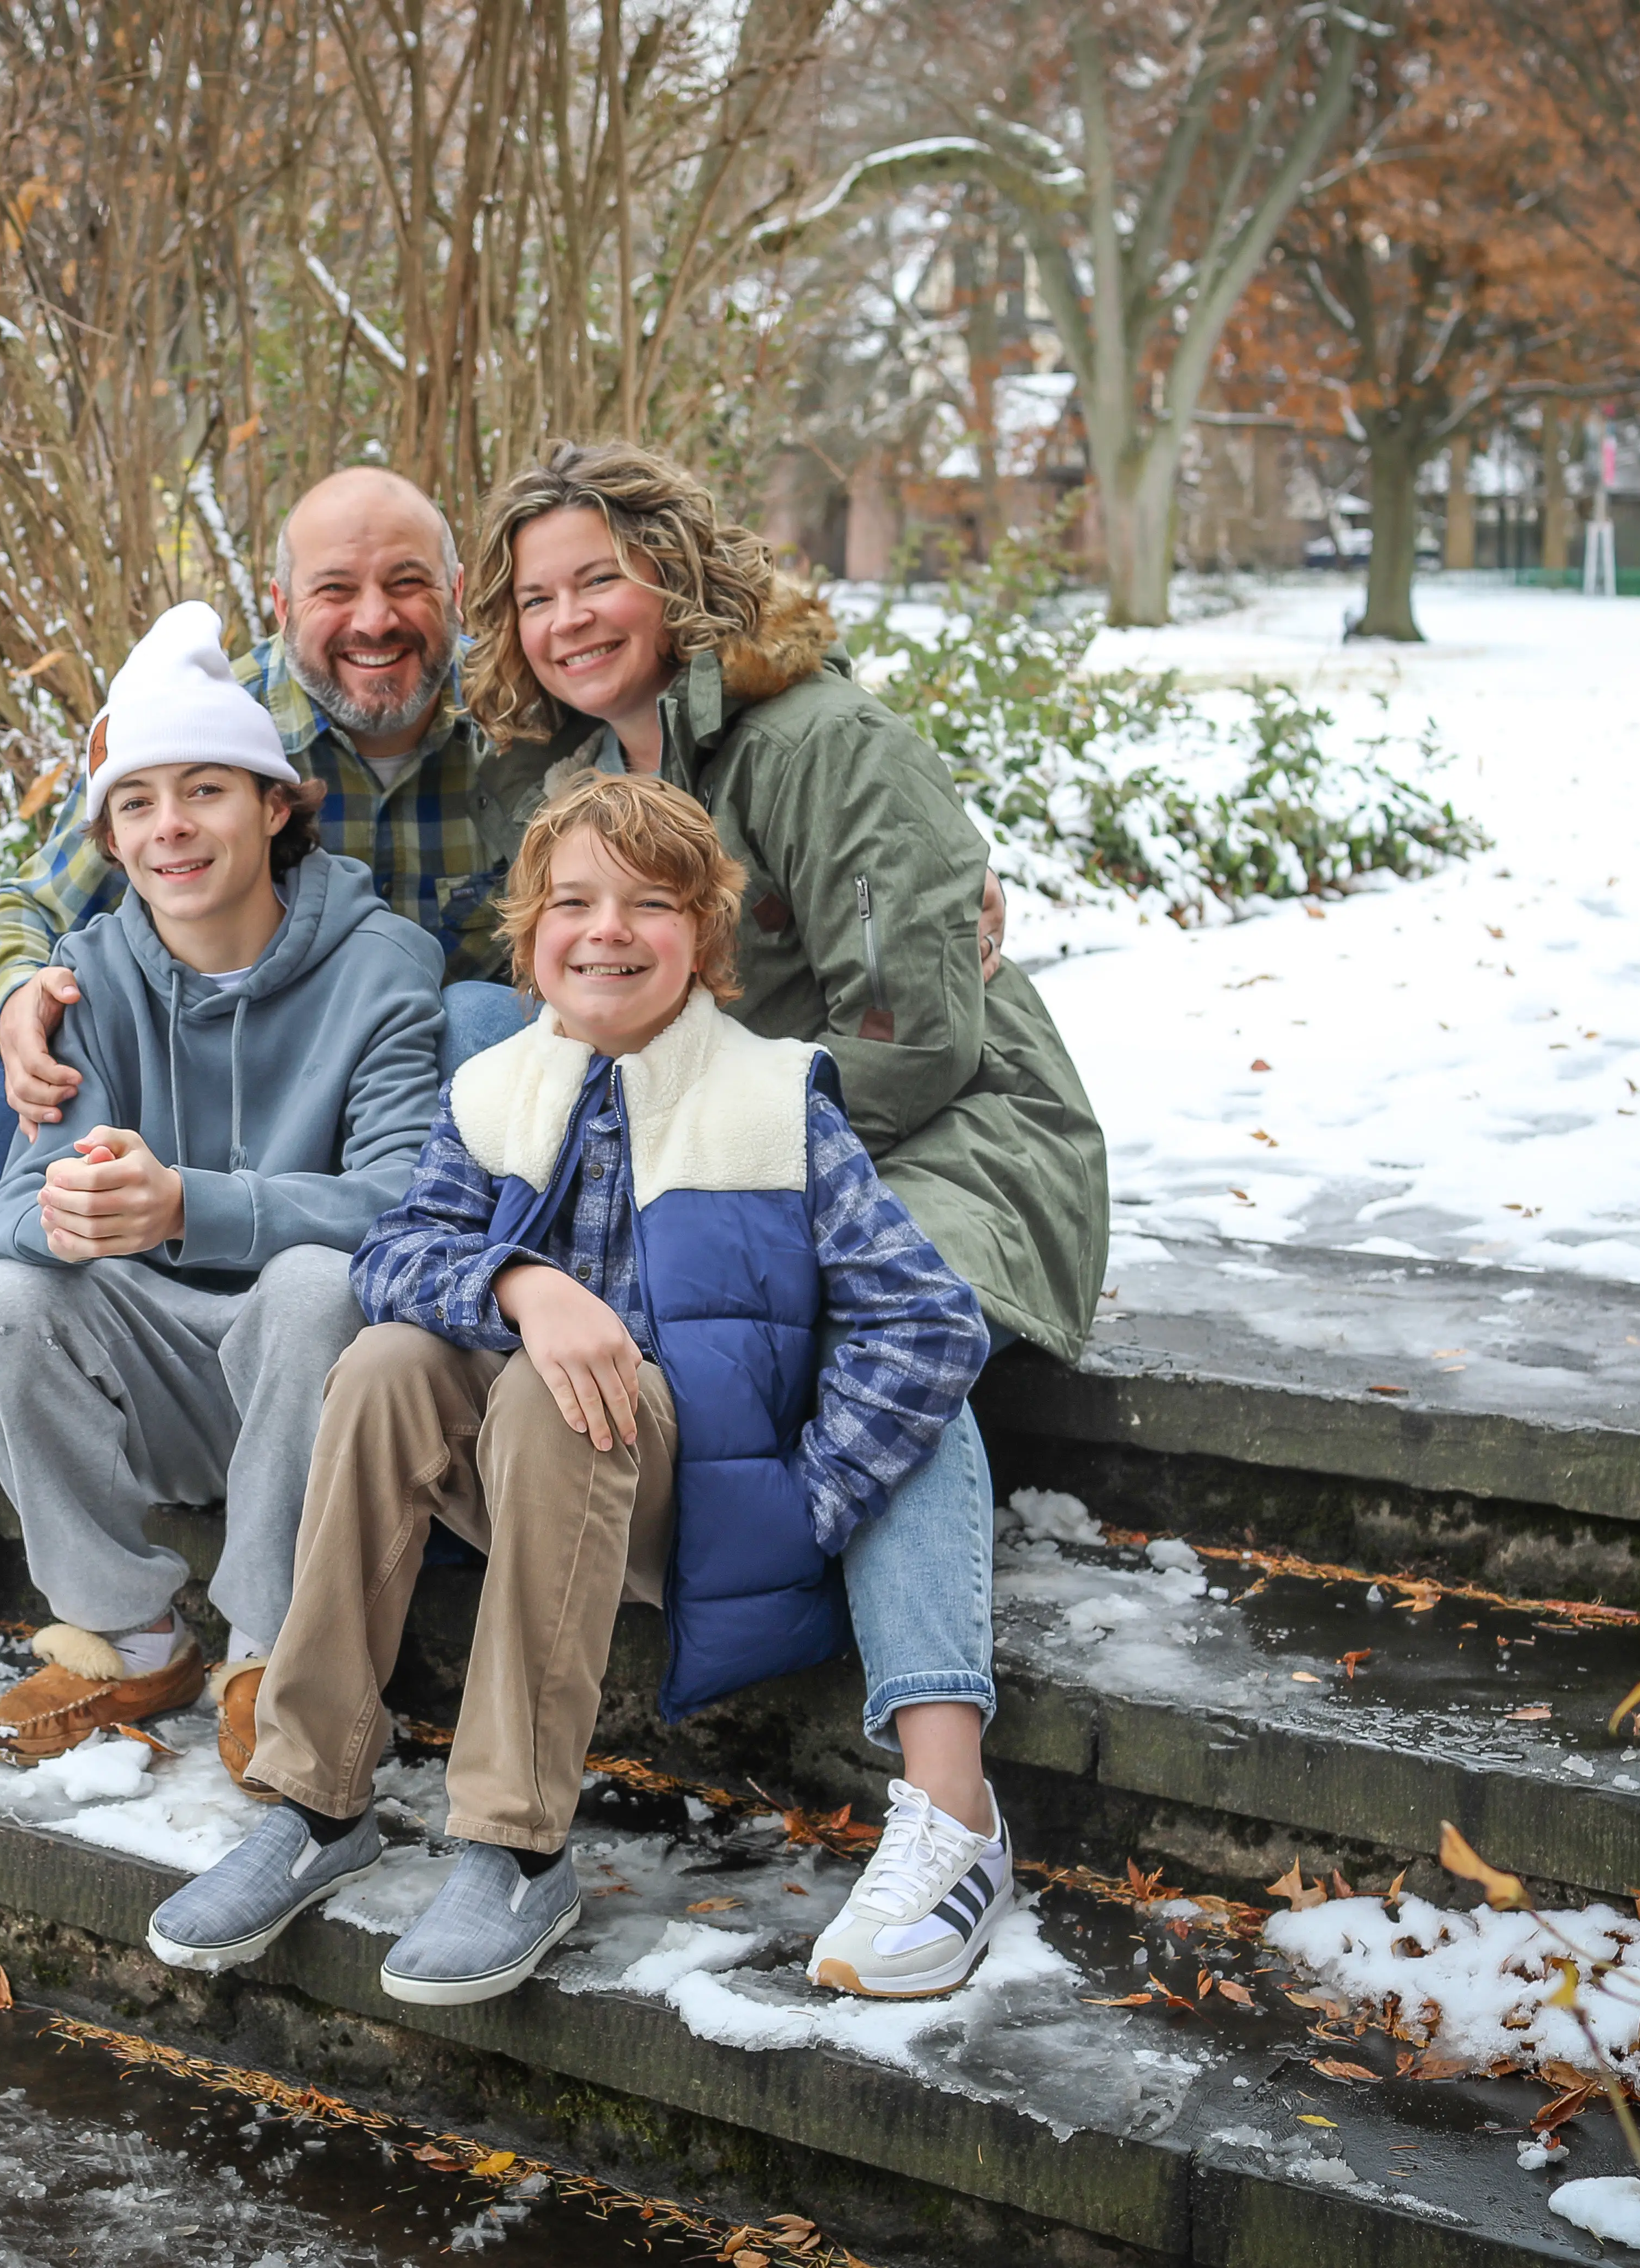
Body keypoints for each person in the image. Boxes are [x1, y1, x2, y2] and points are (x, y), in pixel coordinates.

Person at [146, 775, 989, 2005]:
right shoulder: (495, 1089)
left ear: (701, 940)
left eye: (652, 904)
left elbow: (925, 1322)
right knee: (384, 1361)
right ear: (531, 933)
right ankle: (315, 1800)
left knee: (551, 1396)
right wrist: (522, 1287)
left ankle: (512, 1844)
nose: (608, 930)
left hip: (686, 1498)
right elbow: (392, 1255)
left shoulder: (771, 1104)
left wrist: (809, 1502)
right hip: (529, 1486)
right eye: (574, 902)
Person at [455, 441, 1111, 2001]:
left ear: (675, 576)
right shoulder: (579, 790)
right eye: (537, 595)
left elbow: (921, 1032)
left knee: (883, 1319)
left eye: (597, 575)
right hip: (747, 1143)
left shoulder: (825, 742)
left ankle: (951, 1808)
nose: (568, 617)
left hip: (950, 1133)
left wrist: (734, 1166)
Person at [0, 468, 508, 1684]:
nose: (374, 619)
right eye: (336, 589)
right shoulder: (211, 725)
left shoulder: (520, 719)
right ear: (281, 604)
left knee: (484, 1019)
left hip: (382, 1105)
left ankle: (454, 1428)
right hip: (185, 1115)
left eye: (407, 586)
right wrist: (28, 999)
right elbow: (42, 901)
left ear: (457, 596)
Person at [0, 602, 445, 1772]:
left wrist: (189, 1207)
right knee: (2, 1301)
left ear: (275, 808)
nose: (171, 828)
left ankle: (275, 1655)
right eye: (136, 804)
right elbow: (6, 1213)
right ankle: (127, 1635)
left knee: (318, 1281)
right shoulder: (94, 980)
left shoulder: (380, 972)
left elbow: (405, 1203)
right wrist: (69, 1216)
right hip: (161, 1378)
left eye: (206, 791)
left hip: (323, 1388)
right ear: (111, 842)